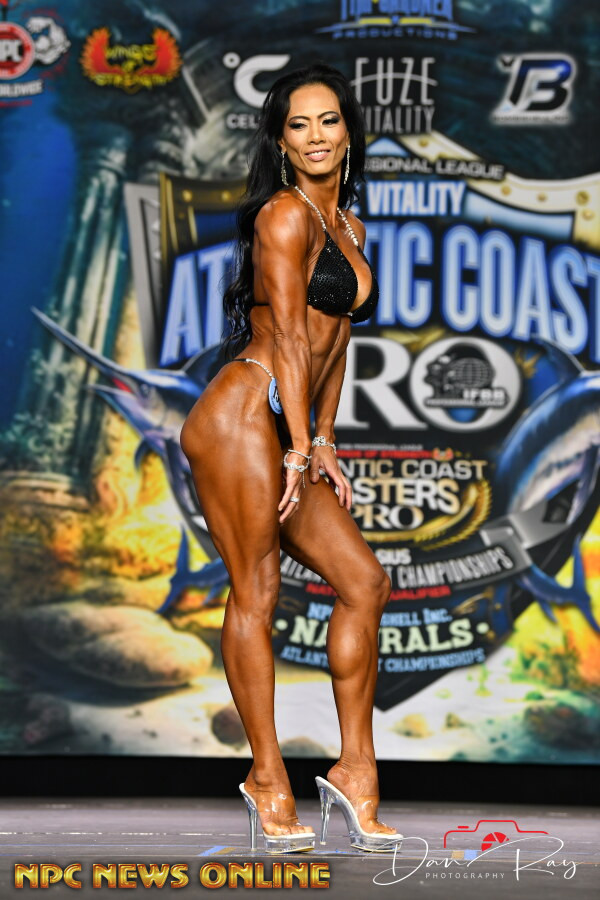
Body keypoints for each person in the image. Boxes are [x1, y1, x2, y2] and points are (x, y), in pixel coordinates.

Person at [180, 63, 400, 853]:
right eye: (299, 124)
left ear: (348, 132)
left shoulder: (350, 227)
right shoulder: (283, 215)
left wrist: (324, 439)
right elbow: (294, 344)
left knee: (365, 583)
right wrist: (300, 448)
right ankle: (268, 778)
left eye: (328, 121)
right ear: (280, 141)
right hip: (245, 416)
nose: (316, 137)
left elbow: (336, 343)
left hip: (294, 423)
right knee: (258, 591)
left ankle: (355, 771)